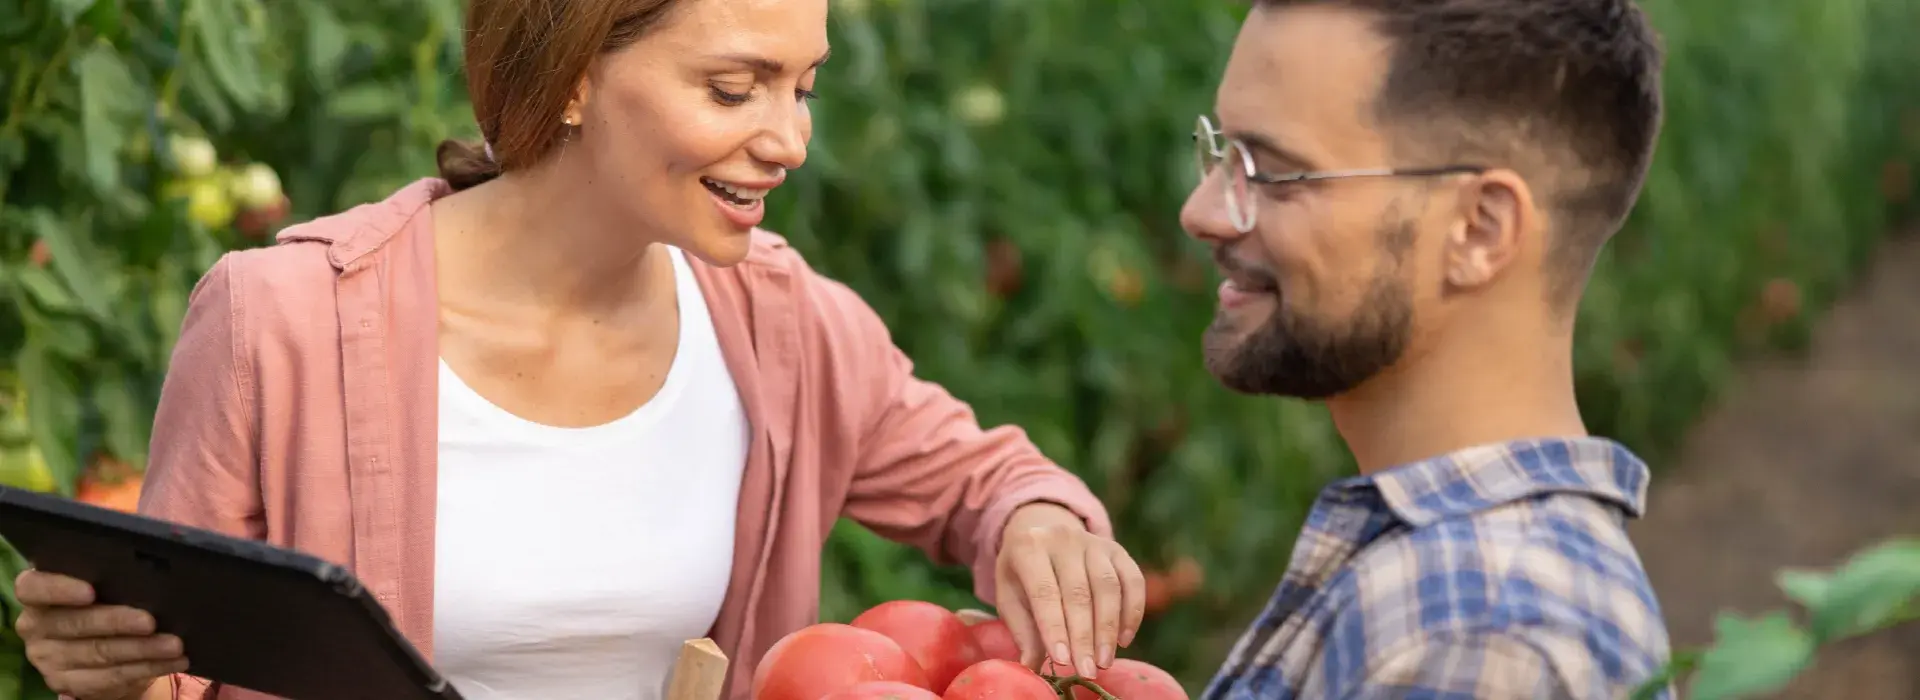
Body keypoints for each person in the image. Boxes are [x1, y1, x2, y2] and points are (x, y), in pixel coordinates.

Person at [11, 0, 1147, 698]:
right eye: (734, 87)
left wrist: (1040, 520)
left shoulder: (778, 320)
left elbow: (983, 480)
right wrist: (108, 673)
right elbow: (172, 660)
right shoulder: (285, 321)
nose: (791, 138)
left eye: (804, 86)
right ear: (574, 76)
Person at [1180, 0, 1671, 698]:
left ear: (1478, 229)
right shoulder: (1436, 578)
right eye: (1222, 151)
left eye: (1272, 174)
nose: (1200, 211)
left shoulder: (1479, 640)